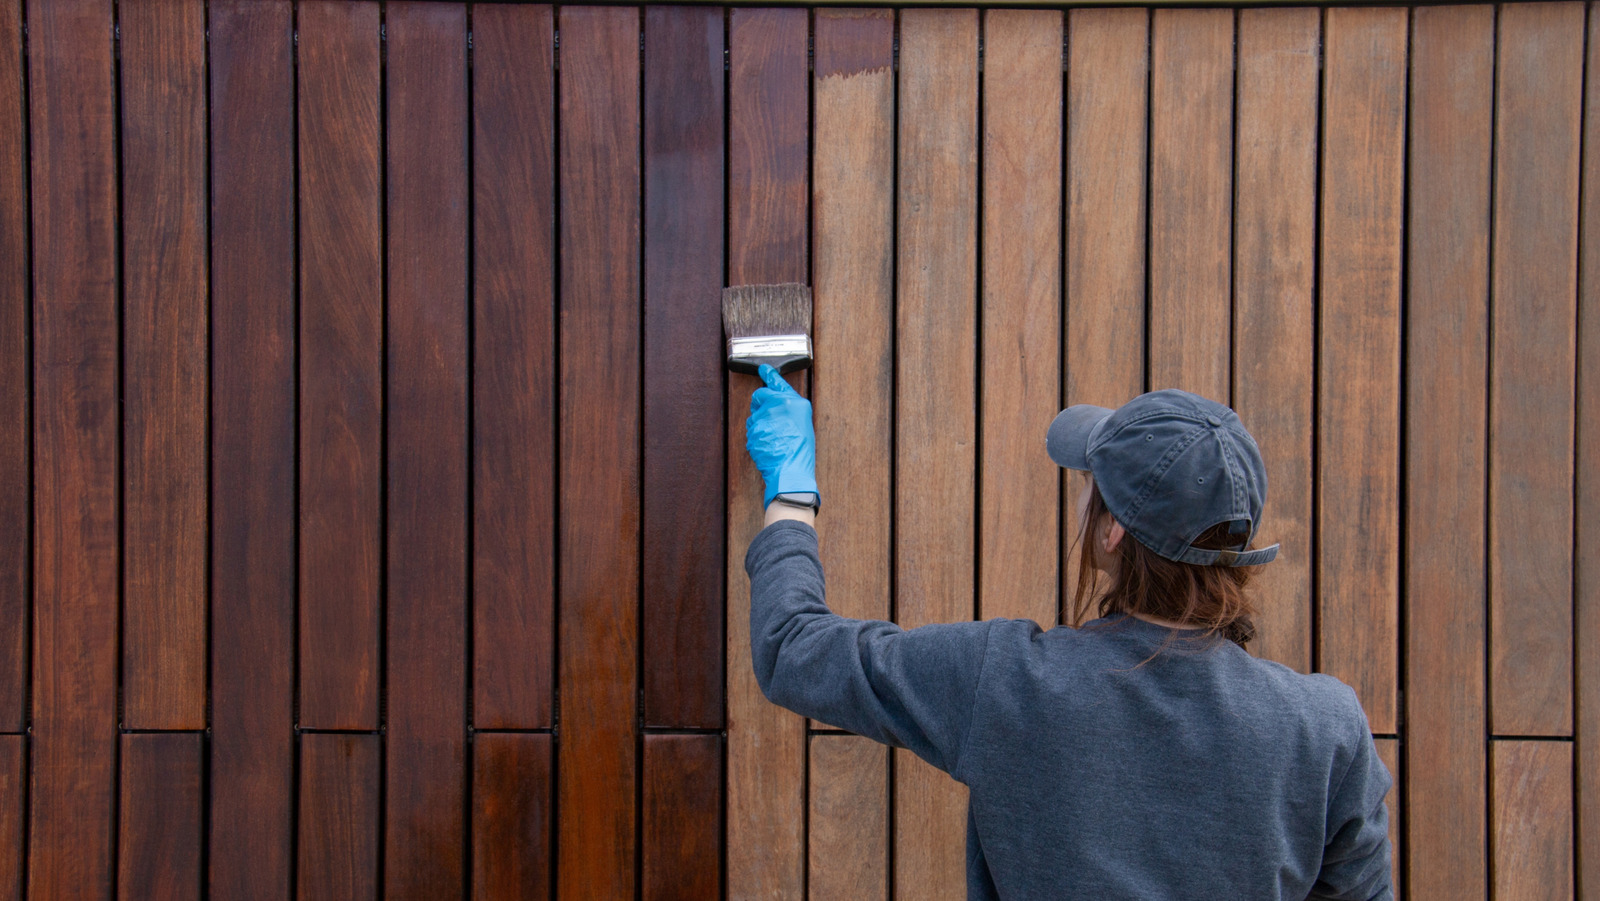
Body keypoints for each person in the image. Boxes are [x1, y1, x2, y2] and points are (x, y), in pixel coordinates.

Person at [741, 364, 1393, 900]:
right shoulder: (1328, 729)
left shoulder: (1007, 681)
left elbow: (792, 647)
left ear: (1112, 531)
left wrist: (791, 493)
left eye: (1092, 488)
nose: (1084, 502)